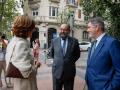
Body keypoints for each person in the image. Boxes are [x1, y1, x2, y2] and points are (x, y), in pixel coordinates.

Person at [5, 15, 41, 90]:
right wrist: (36, 66)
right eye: (32, 28)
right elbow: (25, 70)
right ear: (26, 29)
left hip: (19, 83)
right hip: (26, 85)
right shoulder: (21, 43)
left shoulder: (13, 41)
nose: (33, 30)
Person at [85, 17, 120, 90]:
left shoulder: (112, 43)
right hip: (91, 86)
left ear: (97, 27)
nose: (87, 30)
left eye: (89, 27)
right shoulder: (93, 43)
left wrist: (110, 88)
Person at [49, 24, 80, 90]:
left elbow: (77, 55)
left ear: (69, 31)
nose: (62, 31)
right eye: (61, 29)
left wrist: (69, 61)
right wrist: (59, 61)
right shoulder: (54, 41)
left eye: (65, 30)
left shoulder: (74, 41)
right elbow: (52, 54)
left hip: (69, 72)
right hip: (57, 72)